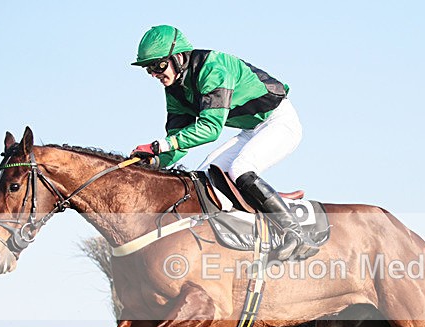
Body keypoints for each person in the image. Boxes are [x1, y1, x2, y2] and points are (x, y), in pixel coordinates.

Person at [130, 25, 317, 261]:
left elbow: (210, 129)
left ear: (178, 57)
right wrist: (153, 162)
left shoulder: (213, 68)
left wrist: (159, 146)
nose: (155, 74)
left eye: (158, 65)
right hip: (251, 130)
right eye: (149, 69)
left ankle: (296, 234)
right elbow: (178, 142)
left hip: (280, 122)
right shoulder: (175, 89)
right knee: (205, 176)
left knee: (240, 168)